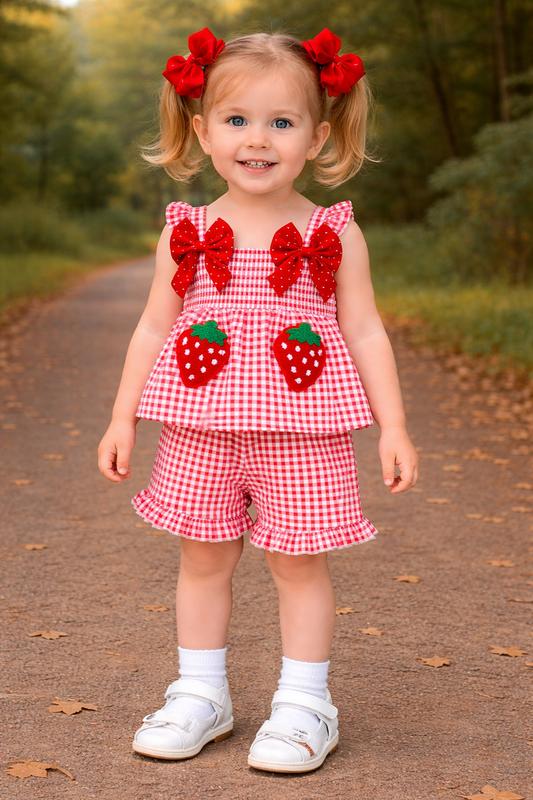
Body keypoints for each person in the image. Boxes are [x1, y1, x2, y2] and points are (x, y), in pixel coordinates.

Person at [98, 27, 419, 773]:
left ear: (317, 136)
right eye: (238, 120)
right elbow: (153, 326)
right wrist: (123, 417)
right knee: (202, 557)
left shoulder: (331, 232)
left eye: (281, 122)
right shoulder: (186, 231)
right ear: (202, 129)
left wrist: (393, 425)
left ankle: (306, 704)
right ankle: (200, 693)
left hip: (302, 432)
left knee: (296, 563)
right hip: (198, 429)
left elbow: (366, 332)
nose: (258, 140)